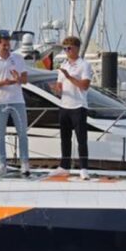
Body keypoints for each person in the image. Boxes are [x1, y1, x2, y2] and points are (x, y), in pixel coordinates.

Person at [0, 31, 30, 177]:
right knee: (0, 135)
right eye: (4, 45)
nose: (6, 47)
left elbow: (25, 80)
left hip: (17, 100)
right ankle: (2, 165)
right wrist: (3, 83)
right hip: (0, 102)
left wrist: (18, 79)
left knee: (22, 133)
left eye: (8, 45)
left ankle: (25, 163)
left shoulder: (18, 58)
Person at [52, 36, 94, 180]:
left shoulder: (84, 65)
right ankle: (64, 166)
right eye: (65, 49)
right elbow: (60, 86)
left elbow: (85, 85)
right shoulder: (63, 65)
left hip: (79, 106)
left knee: (81, 139)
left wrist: (69, 77)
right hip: (64, 105)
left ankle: (84, 168)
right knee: (65, 138)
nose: (67, 51)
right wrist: (56, 88)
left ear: (77, 48)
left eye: (69, 48)